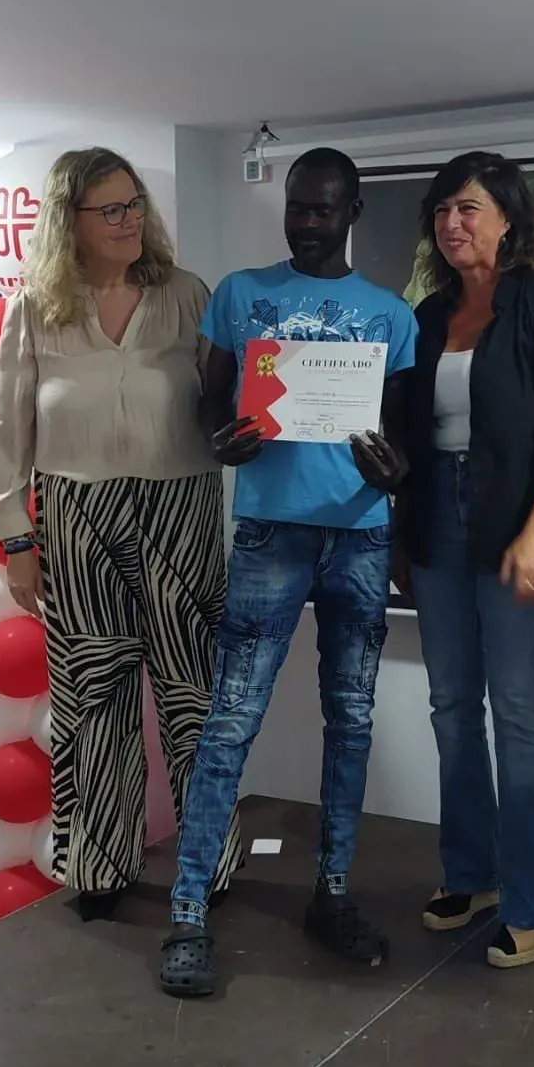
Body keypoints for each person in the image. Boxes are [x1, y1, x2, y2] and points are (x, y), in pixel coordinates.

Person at [158, 148, 416, 998]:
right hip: (270, 529)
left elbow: (401, 431)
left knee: (352, 721)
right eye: (296, 207)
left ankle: (332, 894)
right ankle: (188, 913)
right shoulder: (240, 294)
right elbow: (210, 398)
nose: (306, 222)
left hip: (361, 535)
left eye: (322, 209)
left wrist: (396, 470)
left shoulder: (390, 315)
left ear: (352, 213)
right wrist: (218, 437)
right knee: (230, 720)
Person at [0, 148, 237, 918]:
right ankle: (100, 865)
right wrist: (16, 539)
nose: (130, 220)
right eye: (111, 210)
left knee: (195, 693)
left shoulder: (186, 295)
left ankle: (208, 865)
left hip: (181, 509)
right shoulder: (35, 308)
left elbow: (225, 400)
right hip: (76, 516)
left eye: (134, 205)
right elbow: (8, 429)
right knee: (92, 693)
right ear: (71, 222)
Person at [395, 153, 534, 970]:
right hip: (438, 518)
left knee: (518, 710)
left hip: (524, 519)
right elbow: (409, 432)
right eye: (442, 210)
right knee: (451, 705)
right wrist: (404, 533)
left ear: (509, 218)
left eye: (469, 207)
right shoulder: (428, 314)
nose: (453, 223)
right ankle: (469, 874)